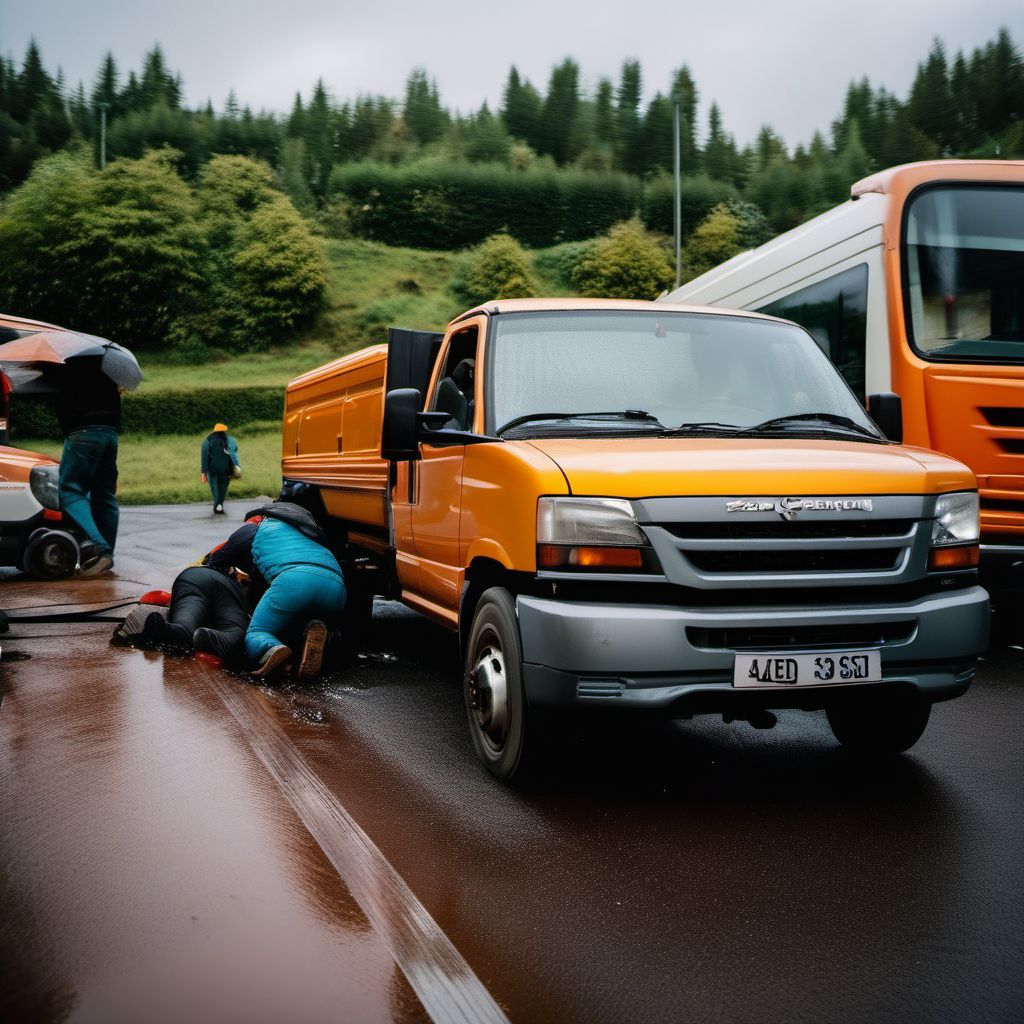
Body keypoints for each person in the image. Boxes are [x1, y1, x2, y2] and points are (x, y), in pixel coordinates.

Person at [204, 502, 346, 680]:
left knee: (257, 632)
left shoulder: (257, 528)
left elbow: (216, 560)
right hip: (337, 588)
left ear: (259, 517)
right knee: (298, 618)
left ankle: (270, 648)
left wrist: (209, 562)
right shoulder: (310, 535)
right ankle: (316, 632)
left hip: (295, 580)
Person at [53, 356, 121, 578]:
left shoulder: (69, 364)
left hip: (83, 432)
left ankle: (100, 548)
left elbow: (59, 396)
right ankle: (107, 554)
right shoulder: (108, 365)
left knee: (70, 491)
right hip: (110, 434)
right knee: (105, 494)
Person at [112, 565, 251, 664]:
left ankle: (171, 629)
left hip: (193, 577)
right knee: (236, 632)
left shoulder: (232, 547)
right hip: (229, 591)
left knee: (185, 623)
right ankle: (212, 638)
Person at [200, 423, 240, 515]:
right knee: (223, 488)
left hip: (213, 469)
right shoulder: (230, 440)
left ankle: (217, 504)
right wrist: (237, 466)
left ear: (215, 430)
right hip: (226, 469)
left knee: (215, 487)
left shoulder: (208, 441)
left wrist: (203, 472)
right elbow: (234, 453)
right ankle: (220, 504)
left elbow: (204, 456)